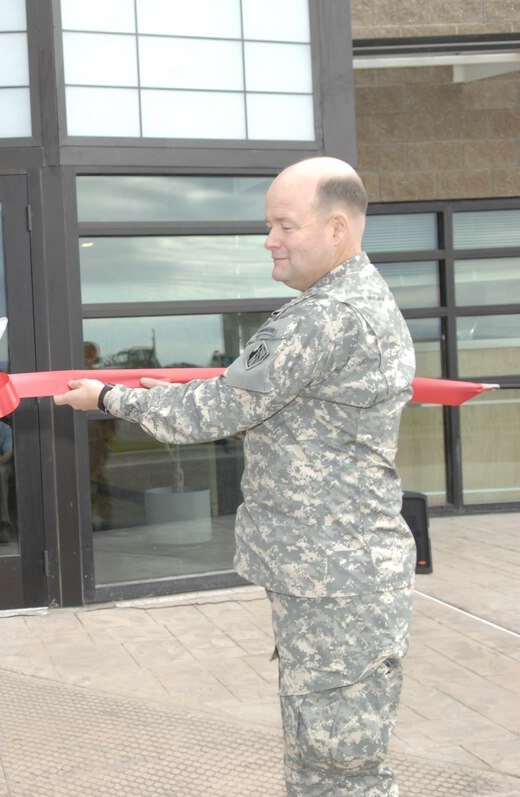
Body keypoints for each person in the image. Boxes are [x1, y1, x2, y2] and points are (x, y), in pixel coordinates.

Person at [55, 157, 416, 797]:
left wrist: (110, 398)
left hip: (334, 580)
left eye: (285, 224)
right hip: (336, 574)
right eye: (268, 223)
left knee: (338, 772)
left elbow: (218, 408)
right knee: (328, 760)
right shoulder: (354, 304)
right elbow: (252, 396)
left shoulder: (324, 317)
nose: (269, 239)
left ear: (337, 229)